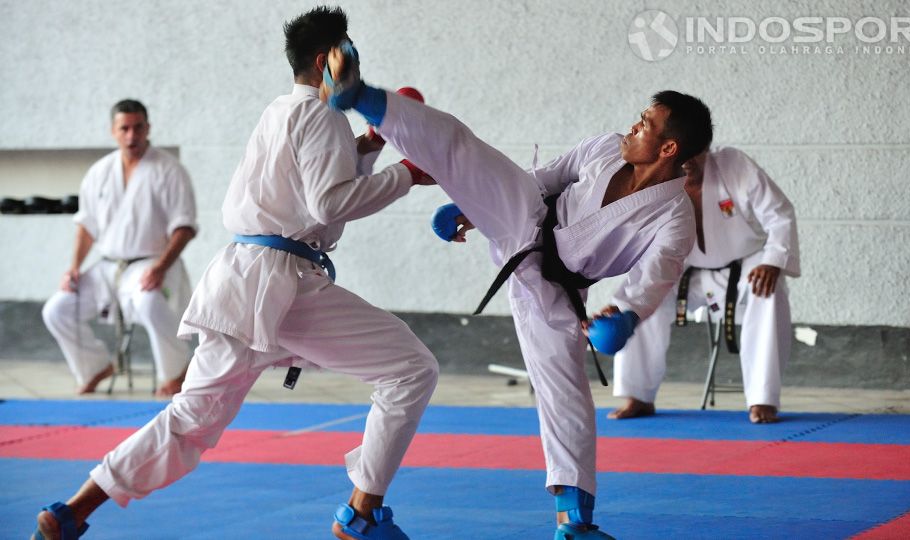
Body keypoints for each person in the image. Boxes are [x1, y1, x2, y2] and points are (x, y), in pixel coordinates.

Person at [33, 7, 438, 540]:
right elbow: (327, 202)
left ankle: (73, 511)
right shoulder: (322, 116)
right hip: (281, 284)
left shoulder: (281, 111)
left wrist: (368, 147)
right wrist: (405, 176)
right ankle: (361, 516)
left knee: (189, 420)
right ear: (326, 60)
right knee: (411, 370)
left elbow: (306, 184)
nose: (355, 60)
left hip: (243, 280)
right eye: (348, 50)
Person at [322, 42, 712, 539]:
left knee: (567, 395)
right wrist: (471, 205)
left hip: (557, 290)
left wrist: (627, 313)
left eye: (646, 124)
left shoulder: (675, 217)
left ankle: (575, 524)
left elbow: (657, 272)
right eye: (638, 118)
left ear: (668, 148)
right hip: (525, 217)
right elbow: (547, 177)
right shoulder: (604, 147)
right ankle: (362, 96)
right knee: (466, 151)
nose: (634, 126)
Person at [607, 148, 800, 424]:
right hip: (683, 270)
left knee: (767, 289)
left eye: (693, 153)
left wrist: (773, 260)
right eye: (678, 155)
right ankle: (637, 395)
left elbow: (779, 214)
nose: (686, 162)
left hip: (744, 266)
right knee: (641, 294)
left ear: (706, 147)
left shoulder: (734, 166)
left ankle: (762, 398)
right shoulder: (655, 180)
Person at [41, 99, 197, 397]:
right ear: (113, 131)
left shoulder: (169, 170)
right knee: (57, 310)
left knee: (149, 301)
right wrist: (74, 267)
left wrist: (160, 268)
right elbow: (86, 226)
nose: (131, 135)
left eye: (138, 127)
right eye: (124, 128)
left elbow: (184, 228)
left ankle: (176, 371)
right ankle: (94, 366)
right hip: (107, 266)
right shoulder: (99, 172)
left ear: (148, 128)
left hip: (151, 262)